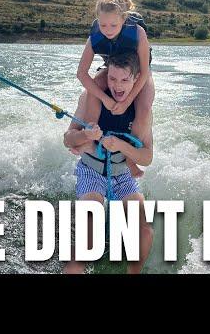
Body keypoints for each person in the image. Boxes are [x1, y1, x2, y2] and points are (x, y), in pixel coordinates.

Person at [63, 51, 154, 274]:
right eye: (112, 79)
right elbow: (68, 139)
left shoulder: (141, 111)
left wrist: (122, 146)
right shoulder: (91, 98)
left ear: (136, 79)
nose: (117, 86)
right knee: (89, 232)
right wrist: (86, 135)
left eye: (124, 80)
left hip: (122, 175)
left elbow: (147, 157)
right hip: (91, 171)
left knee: (144, 231)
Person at [76, 0, 155, 177]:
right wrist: (105, 99)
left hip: (137, 73)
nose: (108, 30)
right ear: (98, 21)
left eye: (113, 25)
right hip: (113, 68)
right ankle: (90, 137)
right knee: (94, 86)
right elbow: (81, 74)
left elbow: (143, 73)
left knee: (143, 108)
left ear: (123, 19)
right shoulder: (94, 36)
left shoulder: (137, 33)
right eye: (103, 25)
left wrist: (127, 102)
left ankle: (129, 157)